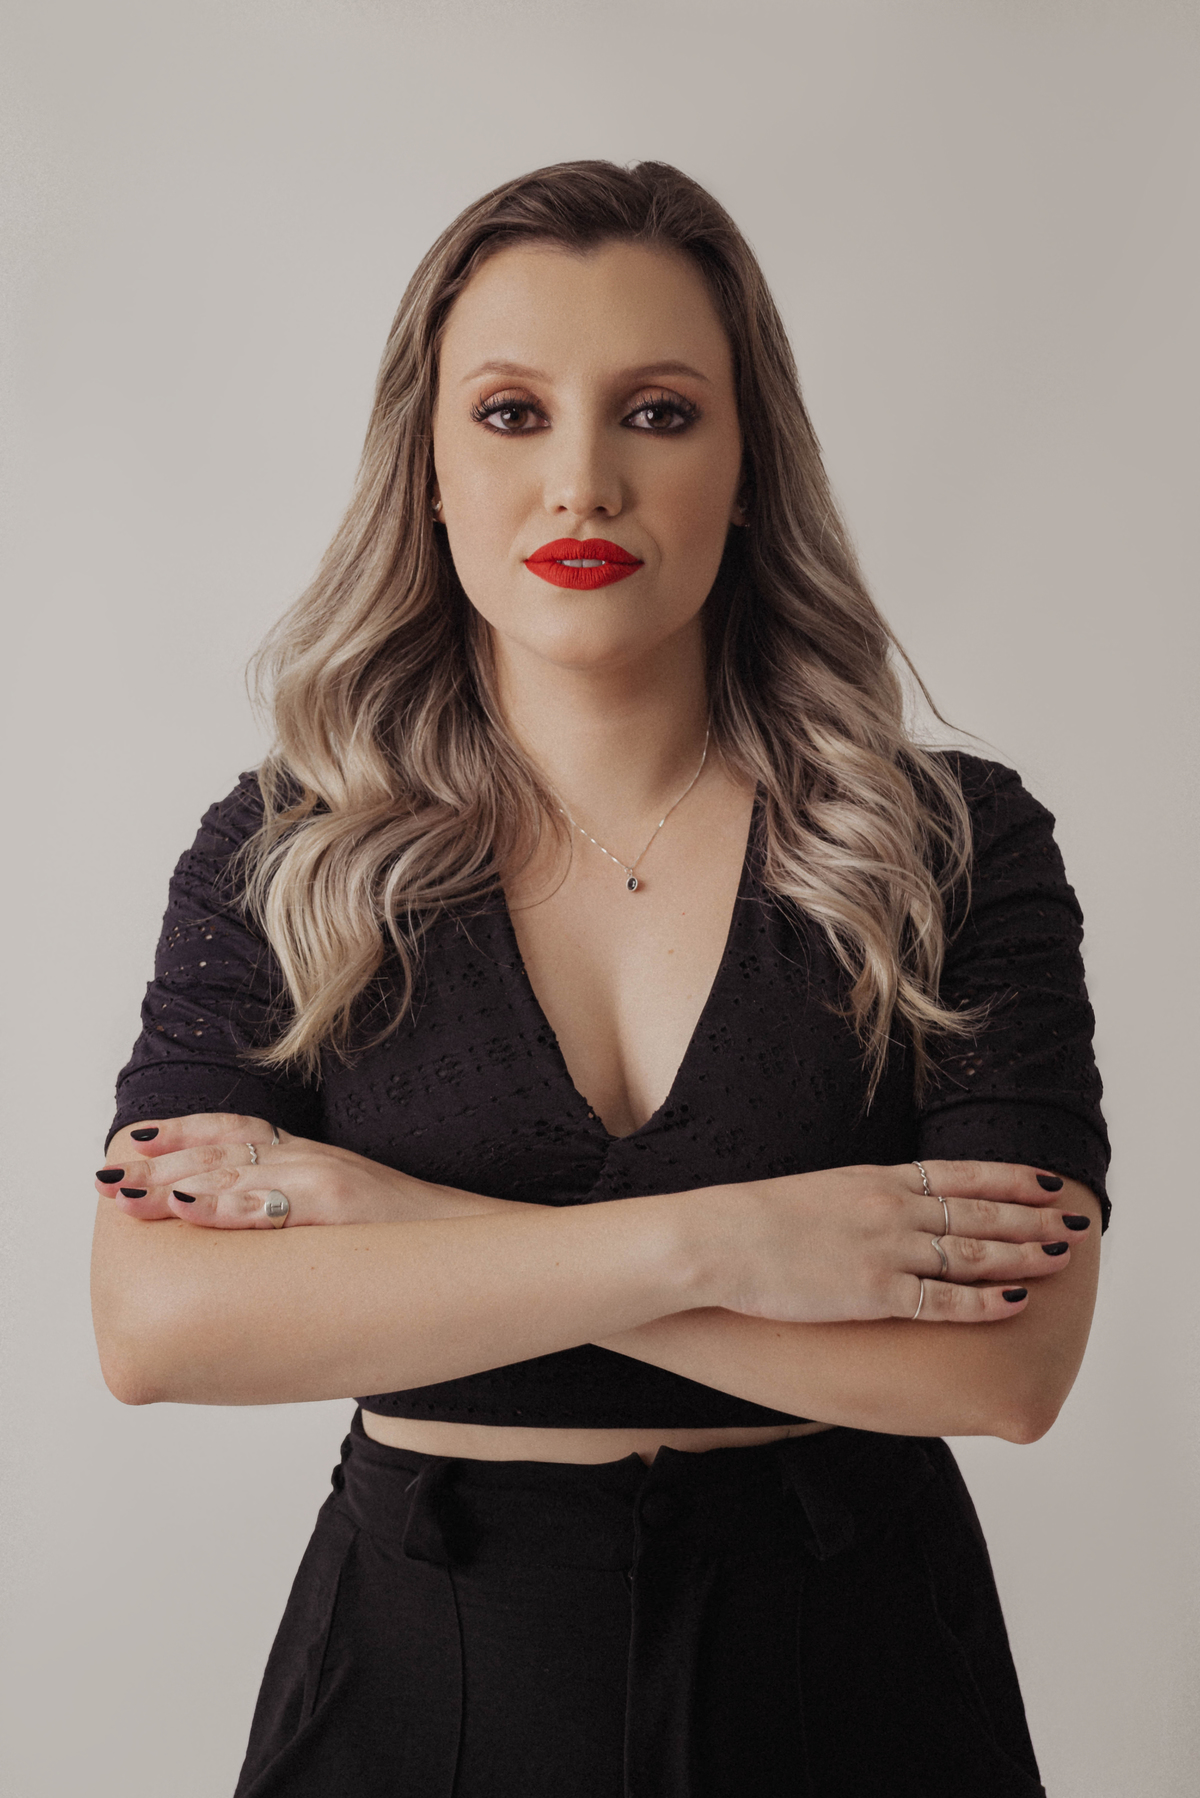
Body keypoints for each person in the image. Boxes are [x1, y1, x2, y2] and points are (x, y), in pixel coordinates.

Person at [91, 160, 1108, 1798]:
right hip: (419, 1691)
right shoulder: (285, 850)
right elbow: (157, 1322)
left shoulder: (951, 842)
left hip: (857, 1688)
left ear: (748, 465)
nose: (582, 482)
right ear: (427, 468)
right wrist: (730, 1243)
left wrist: (404, 1226)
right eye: (511, 414)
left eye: (657, 412)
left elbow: (1005, 1365)